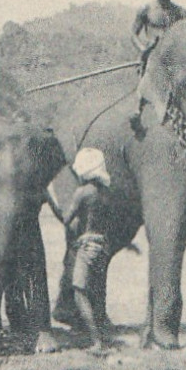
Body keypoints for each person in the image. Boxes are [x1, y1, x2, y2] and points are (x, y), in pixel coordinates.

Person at [59, 148, 116, 351]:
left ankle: (96, 341)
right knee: (97, 292)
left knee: (79, 291)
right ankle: (102, 336)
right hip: (103, 245)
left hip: (87, 245)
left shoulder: (83, 193)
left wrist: (51, 201)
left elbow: (66, 219)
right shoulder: (106, 193)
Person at [130, 0, 186, 132]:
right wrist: (143, 49)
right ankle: (137, 111)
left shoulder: (181, 13)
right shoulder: (146, 10)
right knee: (148, 74)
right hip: (152, 54)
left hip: (174, 57)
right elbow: (133, 33)